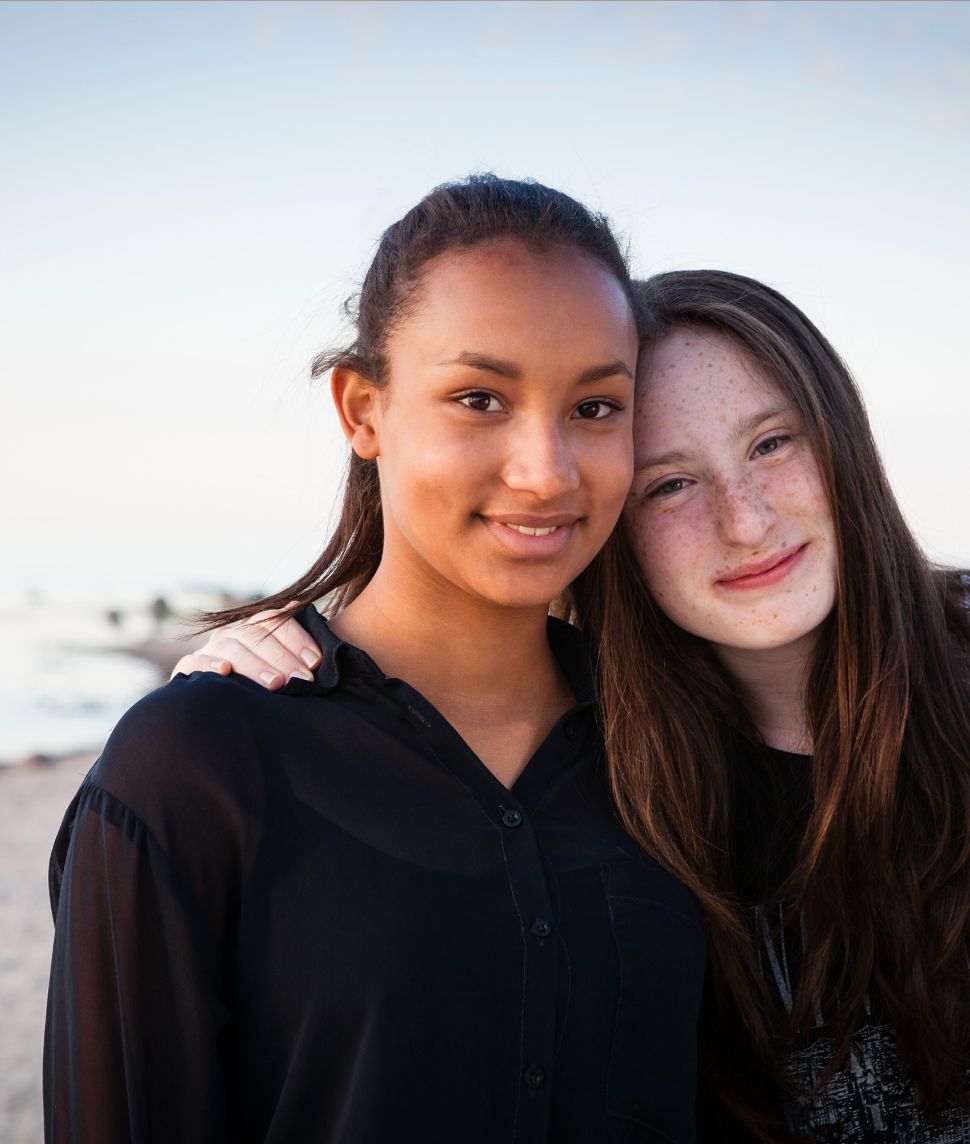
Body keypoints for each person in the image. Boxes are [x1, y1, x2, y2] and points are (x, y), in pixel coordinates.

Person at [187, 270, 970, 1142]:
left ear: (842, 440)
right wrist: (256, 675)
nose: (745, 522)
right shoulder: (598, 776)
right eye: (668, 486)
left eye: (772, 444)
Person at [44, 176, 706, 1144]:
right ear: (361, 409)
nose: (547, 470)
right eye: (479, 397)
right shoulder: (196, 766)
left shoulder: (682, 748)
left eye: (596, 408)